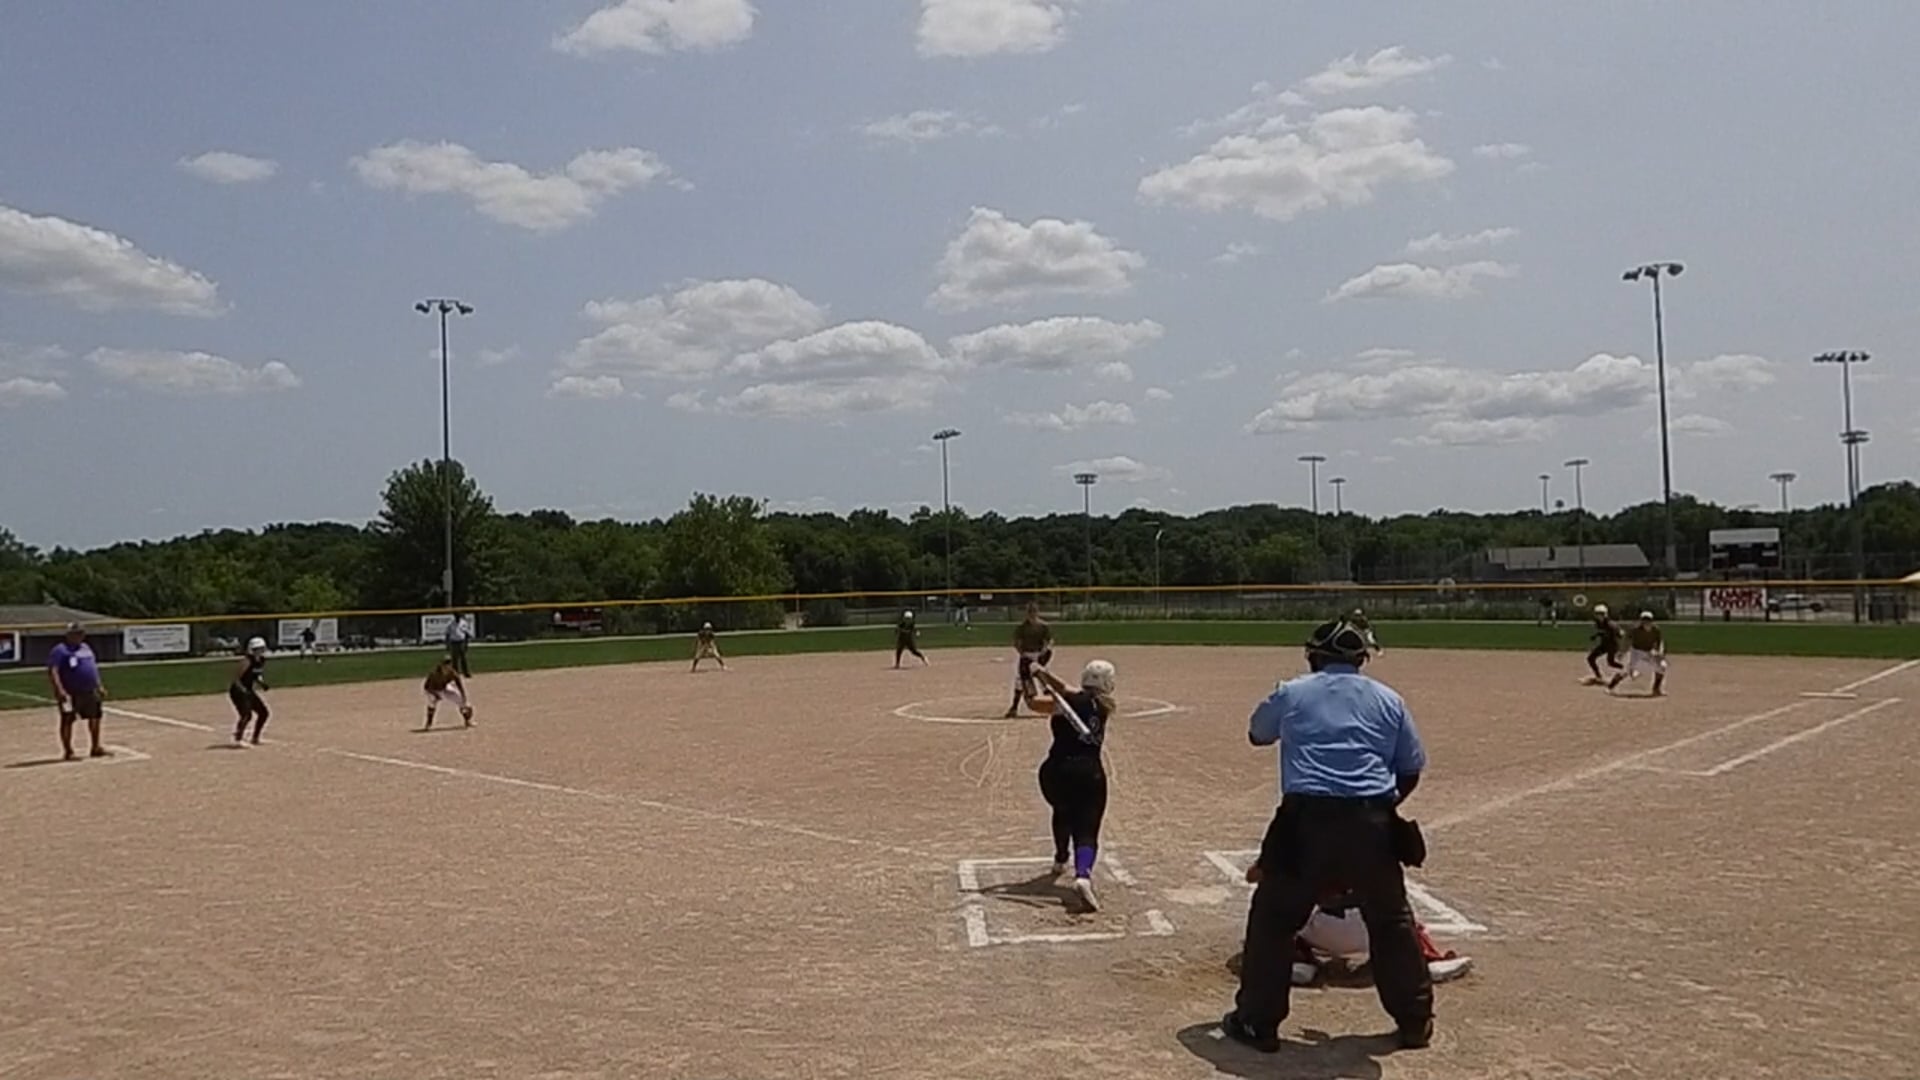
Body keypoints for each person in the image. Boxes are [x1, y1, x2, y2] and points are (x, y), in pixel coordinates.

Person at [1221, 618, 1433, 1054]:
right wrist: (1379, 809)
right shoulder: (1389, 699)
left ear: (1314, 657)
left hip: (1306, 822)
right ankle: (1414, 1021)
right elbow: (1410, 768)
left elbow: (1257, 734)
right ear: (1360, 659)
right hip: (1372, 822)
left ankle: (1258, 1022)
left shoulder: (1293, 691)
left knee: (1275, 919)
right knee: (1391, 922)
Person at [1242, 869, 1473, 986]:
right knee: (1400, 913)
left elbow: (1253, 875)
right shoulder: (1371, 829)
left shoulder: (1301, 828)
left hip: (1315, 927)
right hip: (1371, 929)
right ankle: (1425, 959)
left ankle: (1297, 960)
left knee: (1277, 905)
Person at [1020, 659, 1118, 913]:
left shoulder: (1066, 702)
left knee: (1063, 811)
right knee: (1087, 828)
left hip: (1054, 772)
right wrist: (1038, 674)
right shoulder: (1103, 706)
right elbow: (1064, 690)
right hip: (1088, 774)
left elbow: (1034, 703)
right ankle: (1082, 875)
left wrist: (1031, 677)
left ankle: (1060, 858)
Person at [46, 622, 108, 761]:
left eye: (81, 633)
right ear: (68, 634)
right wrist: (60, 690)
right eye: (75, 633)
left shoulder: (86, 648)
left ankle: (96, 747)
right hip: (70, 692)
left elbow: (93, 668)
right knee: (68, 719)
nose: (79, 636)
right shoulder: (60, 650)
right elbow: (53, 670)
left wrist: (99, 686)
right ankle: (68, 751)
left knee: (95, 717)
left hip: (89, 690)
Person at [1004, 601, 1055, 718]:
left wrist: (1044, 652)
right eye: (1029, 612)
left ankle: (1052, 707)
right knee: (1020, 681)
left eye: (1034, 612)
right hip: (1027, 655)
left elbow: (1049, 641)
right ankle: (1014, 708)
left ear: (1037, 612)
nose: (1032, 615)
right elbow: (1017, 643)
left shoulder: (1043, 626)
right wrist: (1022, 654)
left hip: (1039, 654)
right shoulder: (1022, 628)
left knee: (1044, 681)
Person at [1610, 611, 1669, 696]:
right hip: (1636, 651)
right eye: (1644, 620)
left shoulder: (1656, 629)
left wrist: (1660, 652)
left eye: (1648, 620)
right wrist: (1622, 651)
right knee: (1626, 670)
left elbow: (1660, 642)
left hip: (1649, 651)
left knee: (1662, 666)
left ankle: (1656, 689)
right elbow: (1627, 640)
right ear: (1641, 621)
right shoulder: (1635, 629)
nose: (1646, 622)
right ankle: (1610, 687)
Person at [229, 637, 271, 745]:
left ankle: (255, 738)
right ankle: (238, 739)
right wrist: (242, 689)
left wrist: (262, 684)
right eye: (257, 649)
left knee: (263, 713)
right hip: (237, 691)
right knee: (246, 715)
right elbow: (236, 678)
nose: (260, 651)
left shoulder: (261, 661)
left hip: (248, 690)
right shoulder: (247, 661)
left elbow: (256, 675)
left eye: (261, 648)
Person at [423, 655, 474, 729]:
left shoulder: (451, 672)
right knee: (432, 702)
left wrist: (463, 695)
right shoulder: (434, 674)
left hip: (444, 688)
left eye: (449, 663)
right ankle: (429, 723)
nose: (447, 665)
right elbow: (427, 687)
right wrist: (436, 695)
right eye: (445, 663)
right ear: (441, 665)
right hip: (431, 690)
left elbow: (458, 683)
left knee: (460, 700)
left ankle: (467, 721)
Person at [1583, 604, 1625, 686]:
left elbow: (1620, 633)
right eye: (1597, 614)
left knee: (1611, 662)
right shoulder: (1599, 623)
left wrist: (1620, 635)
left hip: (1612, 646)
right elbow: (1602, 632)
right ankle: (1599, 676)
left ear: (1605, 614)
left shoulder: (1611, 624)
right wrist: (1595, 636)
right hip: (1604, 645)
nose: (1599, 616)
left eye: (1601, 614)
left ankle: (1625, 669)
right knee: (1591, 658)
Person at [445, 613, 473, 677]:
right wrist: (447, 644)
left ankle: (466, 672)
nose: (457, 617)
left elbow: (466, 633)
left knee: (464, 658)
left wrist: (466, 643)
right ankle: (455, 673)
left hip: (461, 642)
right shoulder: (451, 624)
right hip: (454, 642)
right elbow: (447, 634)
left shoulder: (464, 623)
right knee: (455, 659)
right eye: (456, 616)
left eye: (458, 616)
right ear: (454, 617)